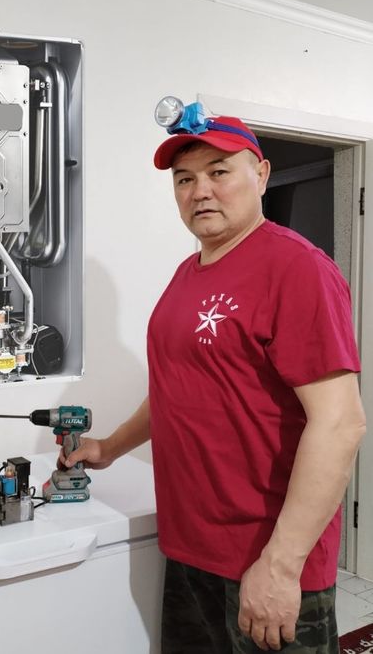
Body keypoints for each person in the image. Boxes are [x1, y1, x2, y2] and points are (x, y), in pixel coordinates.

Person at [62, 115, 366, 653]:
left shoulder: (296, 268)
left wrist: (280, 565)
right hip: (190, 546)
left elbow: (340, 423)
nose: (200, 191)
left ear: (261, 174)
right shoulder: (188, 273)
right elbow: (179, 386)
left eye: (219, 171)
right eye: (185, 179)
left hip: (264, 554)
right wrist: (109, 447)